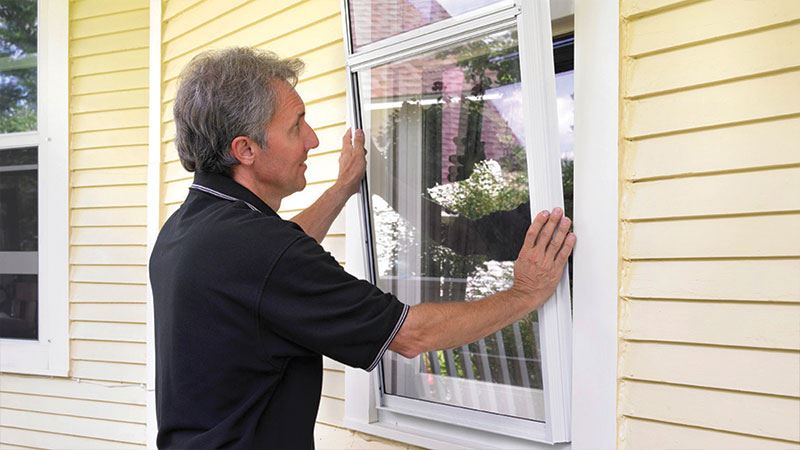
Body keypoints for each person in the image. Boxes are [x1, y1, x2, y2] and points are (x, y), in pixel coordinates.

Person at [149, 47, 575, 449]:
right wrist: (525, 293)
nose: (312, 140)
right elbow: (411, 334)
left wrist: (342, 190)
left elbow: (272, 257)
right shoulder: (262, 251)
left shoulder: (188, 229)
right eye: (296, 126)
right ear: (245, 150)